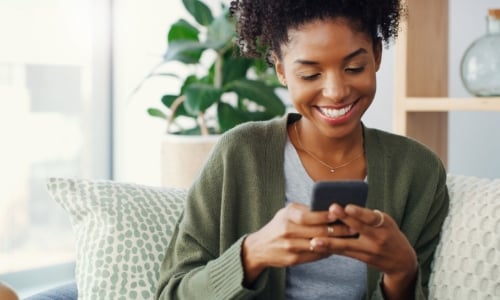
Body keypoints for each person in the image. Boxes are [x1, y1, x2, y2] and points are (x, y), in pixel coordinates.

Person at [156, 0, 449, 299]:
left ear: (376, 55)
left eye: (353, 68)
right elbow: (171, 293)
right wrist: (252, 254)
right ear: (282, 70)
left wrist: (402, 271)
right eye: (310, 75)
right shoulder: (239, 154)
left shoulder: (418, 171)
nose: (336, 91)